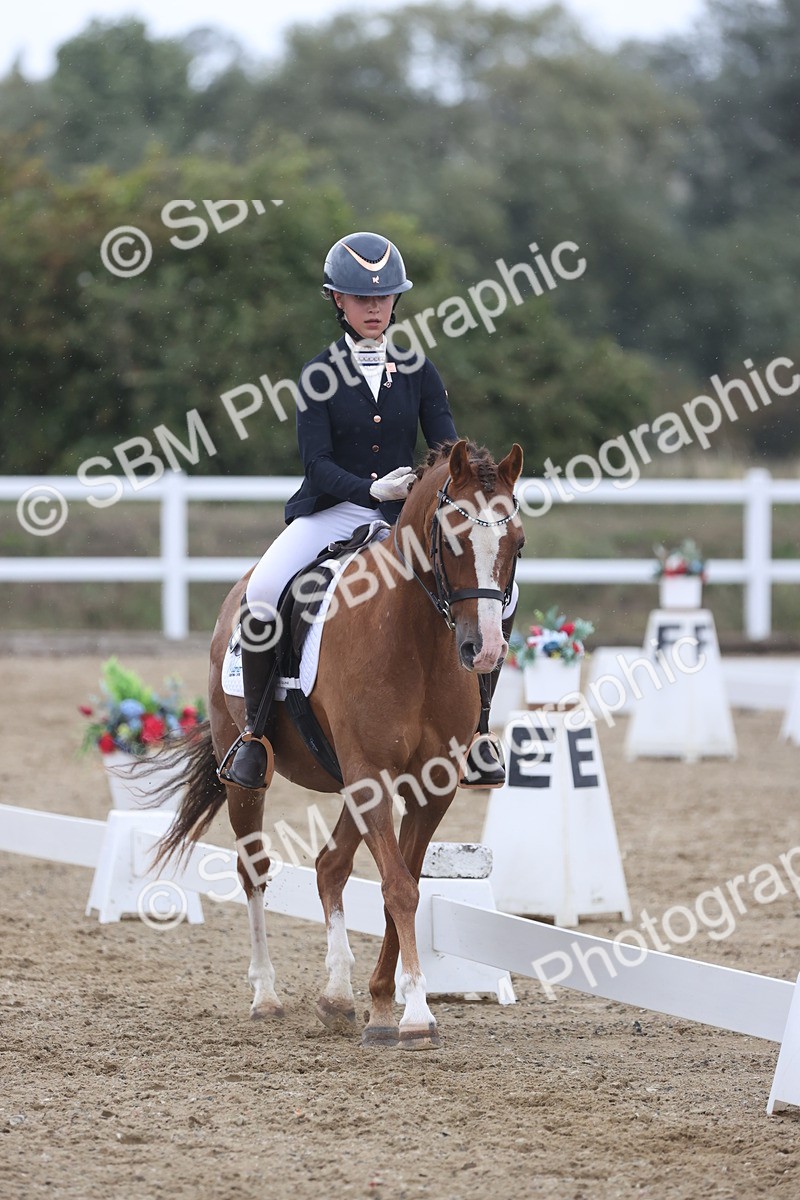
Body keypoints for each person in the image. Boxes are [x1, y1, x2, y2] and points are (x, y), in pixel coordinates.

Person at [223, 230, 517, 790]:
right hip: (333, 510)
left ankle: (477, 732)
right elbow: (316, 464)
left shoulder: (420, 370)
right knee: (262, 592)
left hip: (404, 518)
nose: (375, 308)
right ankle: (255, 736)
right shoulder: (317, 374)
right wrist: (369, 490)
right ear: (337, 299)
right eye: (362, 298)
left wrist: (449, 490)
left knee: (502, 592)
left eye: (383, 298)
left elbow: (447, 452)